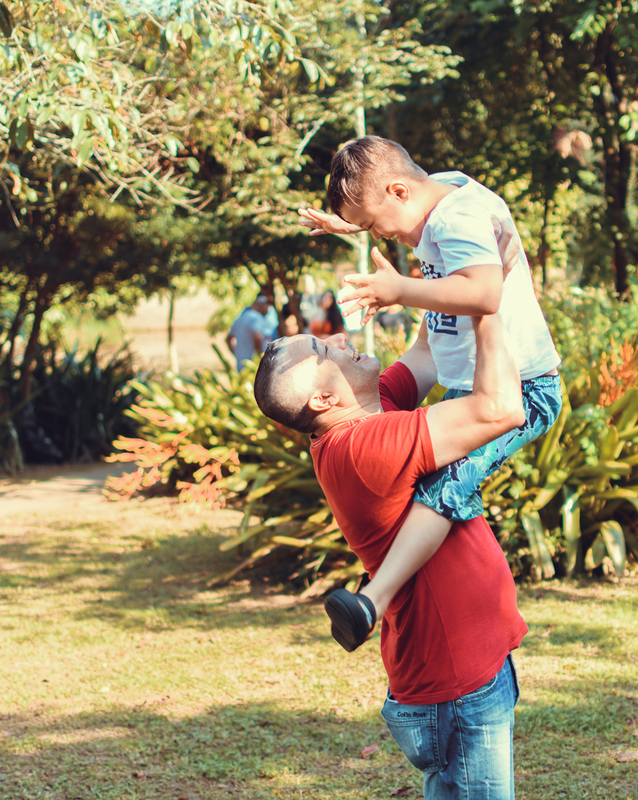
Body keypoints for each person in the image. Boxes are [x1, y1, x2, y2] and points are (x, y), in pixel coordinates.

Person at [297, 136, 562, 652]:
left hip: (522, 388)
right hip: (471, 382)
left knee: (445, 488)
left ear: (399, 192)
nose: (380, 235)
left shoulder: (454, 219)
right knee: (433, 482)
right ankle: (393, 593)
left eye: (373, 223)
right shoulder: (443, 196)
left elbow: (484, 294)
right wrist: (353, 222)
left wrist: (400, 291)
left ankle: (374, 600)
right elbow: (395, 192)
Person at [253, 309, 527, 800]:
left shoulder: (369, 408)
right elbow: (501, 409)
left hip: (464, 669)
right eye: (322, 351)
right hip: (455, 683)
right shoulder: (363, 447)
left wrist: (437, 262)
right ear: (322, 398)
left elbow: (426, 351)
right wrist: (485, 306)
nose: (338, 337)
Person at [225, 294, 270, 371]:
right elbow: (257, 337)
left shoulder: (239, 318)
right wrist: (259, 355)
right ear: (262, 306)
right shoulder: (256, 318)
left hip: (240, 365)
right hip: (253, 366)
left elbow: (228, 339)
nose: (268, 311)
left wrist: (237, 354)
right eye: (267, 307)